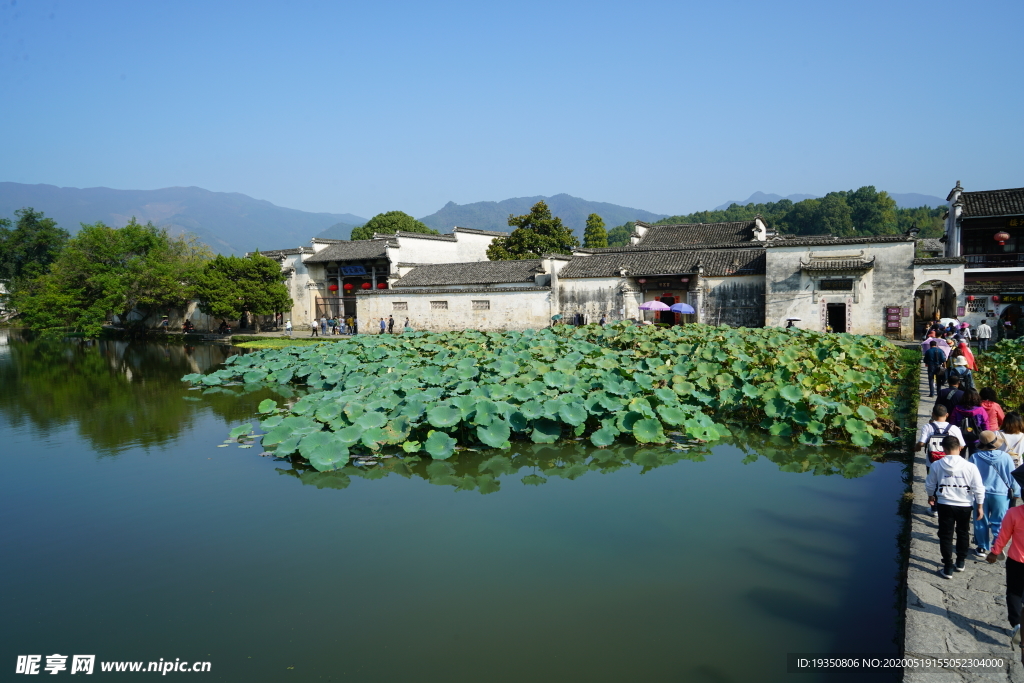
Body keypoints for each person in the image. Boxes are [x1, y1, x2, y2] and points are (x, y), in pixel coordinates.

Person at [927, 435, 985, 579]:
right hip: (964, 504)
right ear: (960, 448)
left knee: (945, 535)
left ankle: (947, 567)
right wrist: (980, 505)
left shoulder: (937, 465)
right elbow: (978, 488)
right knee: (963, 532)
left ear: (944, 449)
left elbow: (930, 484)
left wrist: (930, 496)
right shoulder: (970, 466)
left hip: (945, 503)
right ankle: (960, 562)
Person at [971, 431, 1020, 559]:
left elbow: (970, 477)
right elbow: (1012, 476)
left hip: (980, 494)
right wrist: (1016, 492)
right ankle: (997, 545)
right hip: (1001, 493)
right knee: (999, 521)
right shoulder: (1005, 457)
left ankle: (981, 547)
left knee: (980, 520)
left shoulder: (975, 457)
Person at [952, 388, 991, 453]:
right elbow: (985, 425)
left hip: (960, 438)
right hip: (976, 439)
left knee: (960, 459)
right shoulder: (981, 410)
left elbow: (953, 423)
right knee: (974, 459)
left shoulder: (957, 409)